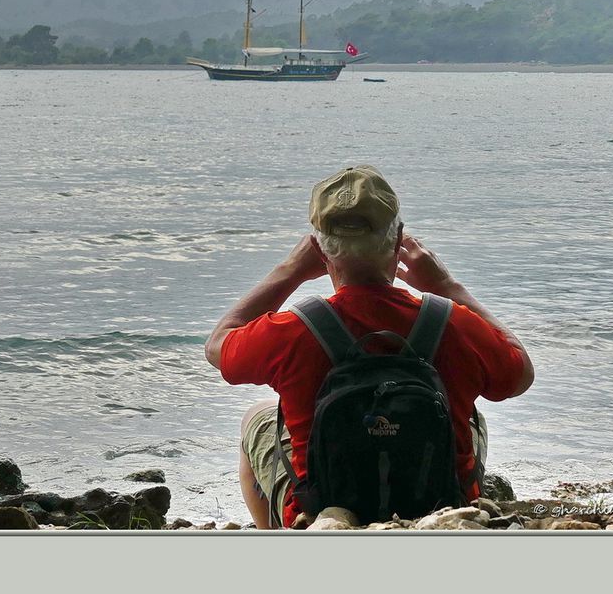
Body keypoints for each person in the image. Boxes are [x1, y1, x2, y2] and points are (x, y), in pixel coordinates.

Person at [205, 165, 534, 529]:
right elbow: (519, 374)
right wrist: (447, 286)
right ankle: (447, 512)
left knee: (258, 415)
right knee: (471, 414)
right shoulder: (452, 322)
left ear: (318, 249)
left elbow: (218, 345)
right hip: (441, 505)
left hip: (326, 506)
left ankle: (294, 533)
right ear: (397, 242)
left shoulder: (295, 330)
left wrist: (290, 271)